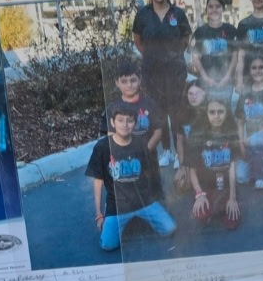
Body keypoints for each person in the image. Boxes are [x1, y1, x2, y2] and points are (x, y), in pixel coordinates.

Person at [86, 104, 176, 253]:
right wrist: (98, 214)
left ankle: (142, 217)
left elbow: (148, 173)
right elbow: (98, 181)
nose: (125, 125)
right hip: (118, 205)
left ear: (135, 123)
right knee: (108, 245)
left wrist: (157, 199)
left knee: (170, 229)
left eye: (129, 121)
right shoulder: (102, 147)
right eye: (120, 120)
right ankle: (121, 221)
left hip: (143, 200)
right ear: (113, 122)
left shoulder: (141, 144)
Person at [131, 0, 192, 164]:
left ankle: (179, 153)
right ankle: (166, 151)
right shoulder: (143, 14)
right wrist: (152, 56)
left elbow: (186, 38)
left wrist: (174, 56)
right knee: (158, 112)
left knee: (176, 112)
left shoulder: (178, 13)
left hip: (175, 72)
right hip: (152, 73)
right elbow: (138, 40)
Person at [187, 95, 241, 230]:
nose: (216, 116)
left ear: (227, 113)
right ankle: (212, 205)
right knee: (201, 214)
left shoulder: (231, 134)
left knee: (232, 222)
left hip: (225, 187)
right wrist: (199, 194)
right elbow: (192, 169)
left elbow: (232, 167)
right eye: (212, 112)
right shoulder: (198, 135)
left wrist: (233, 198)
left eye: (220, 112)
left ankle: (221, 207)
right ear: (206, 114)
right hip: (205, 186)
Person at [99, 56, 164, 152]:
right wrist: (123, 153)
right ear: (117, 83)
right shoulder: (112, 108)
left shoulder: (150, 104)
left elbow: (158, 131)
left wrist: (144, 152)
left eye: (133, 80)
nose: (129, 85)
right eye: (124, 81)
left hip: (147, 155)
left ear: (139, 80)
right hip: (122, 156)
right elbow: (110, 135)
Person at [235, 54, 263, 189]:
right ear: (249, 71)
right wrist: (241, 144)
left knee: (256, 142)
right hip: (249, 142)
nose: (258, 71)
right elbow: (240, 121)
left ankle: (261, 177)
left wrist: (254, 137)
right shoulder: (245, 93)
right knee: (241, 177)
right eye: (254, 68)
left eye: (261, 67)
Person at [191, 0, 239, 91]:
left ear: (223, 9)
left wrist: (227, 77)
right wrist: (206, 78)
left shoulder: (231, 30)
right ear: (206, 10)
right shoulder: (200, 32)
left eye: (218, 6)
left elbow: (235, 56)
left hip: (227, 83)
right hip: (206, 84)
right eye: (210, 7)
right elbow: (195, 58)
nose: (214, 10)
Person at [174, 78, 208, 191]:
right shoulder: (182, 113)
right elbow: (179, 141)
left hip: (207, 155)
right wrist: (182, 166)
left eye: (197, 93)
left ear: (204, 94)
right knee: (181, 184)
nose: (194, 97)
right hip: (190, 156)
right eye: (190, 93)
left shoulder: (211, 111)